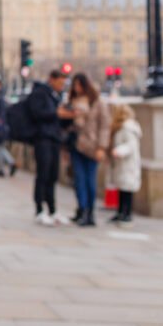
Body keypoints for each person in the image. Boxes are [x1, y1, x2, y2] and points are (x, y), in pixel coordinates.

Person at [26, 68, 73, 226]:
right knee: (43, 174)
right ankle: (39, 209)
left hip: (54, 138)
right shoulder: (40, 93)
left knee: (52, 175)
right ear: (52, 79)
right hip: (42, 139)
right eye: (60, 82)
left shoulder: (56, 95)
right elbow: (36, 113)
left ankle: (52, 209)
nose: (62, 86)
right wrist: (56, 113)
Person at [67, 73, 110, 227]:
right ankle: (82, 209)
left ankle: (89, 212)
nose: (77, 88)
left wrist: (102, 147)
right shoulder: (72, 102)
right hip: (76, 145)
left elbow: (105, 126)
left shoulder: (97, 102)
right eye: (75, 85)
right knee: (78, 180)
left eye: (79, 85)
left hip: (92, 146)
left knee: (90, 180)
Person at [109, 103, 143, 226]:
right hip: (123, 164)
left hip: (128, 163)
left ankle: (126, 213)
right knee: (122, 189)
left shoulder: (127, 128)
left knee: (127, 189)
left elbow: (130, 146)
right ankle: (121, 212)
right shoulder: (122, 127)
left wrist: (119, 151)